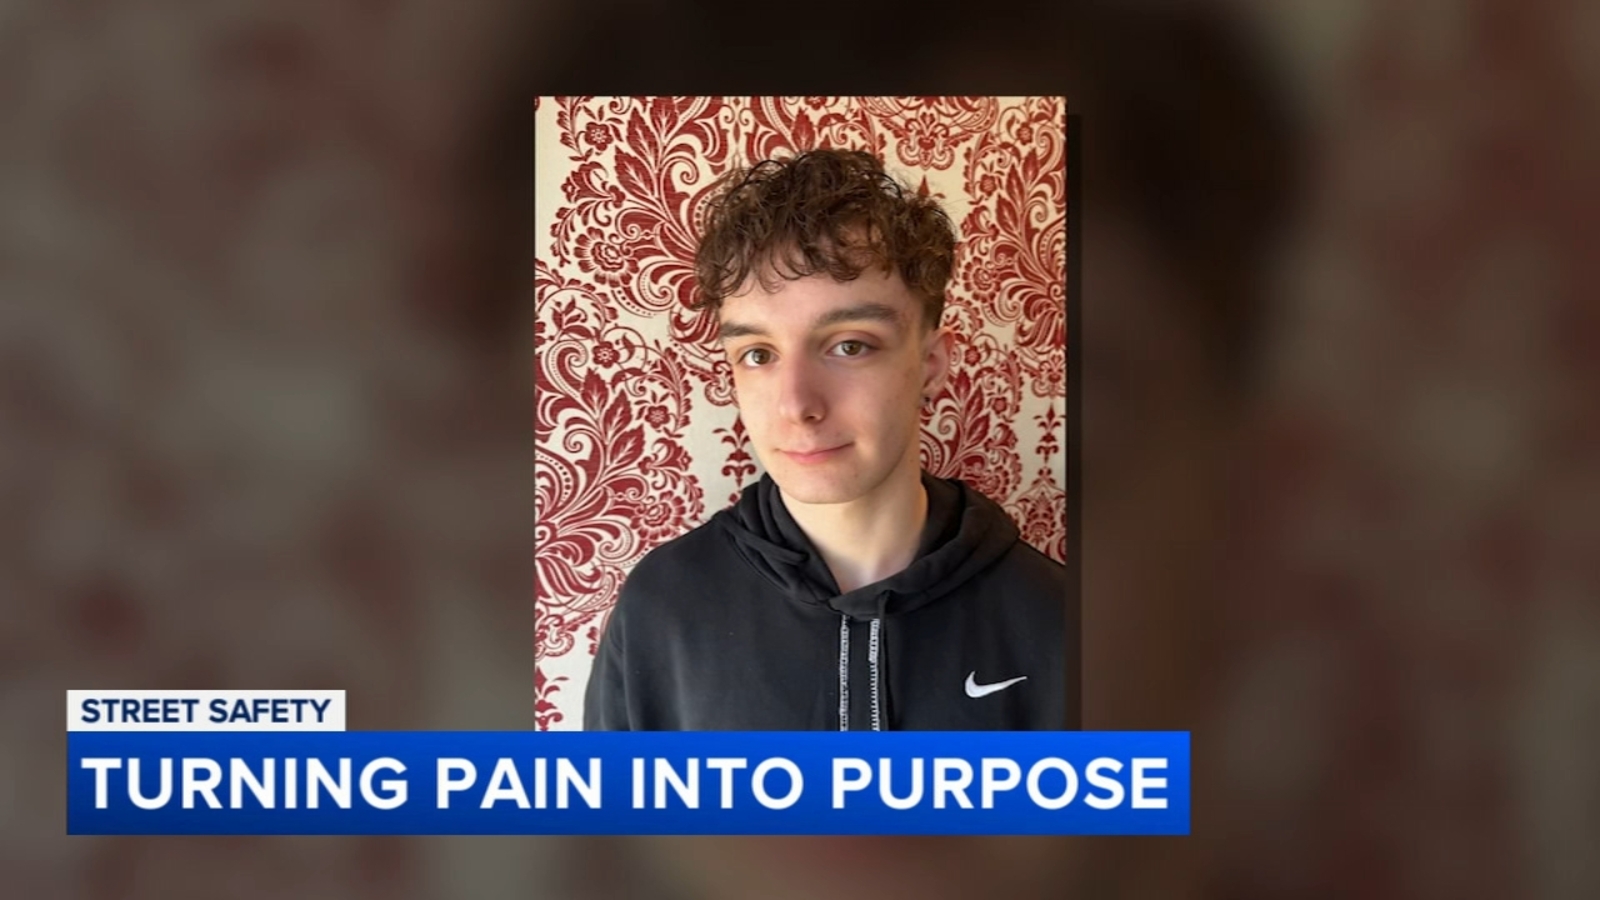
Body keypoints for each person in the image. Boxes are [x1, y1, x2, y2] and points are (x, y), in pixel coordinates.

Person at [582, 147, 1069, 731]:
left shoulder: (1053, 616)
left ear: (932, 365)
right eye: (757, 354)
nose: (797, 404)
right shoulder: (662, 605)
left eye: (849, 345)